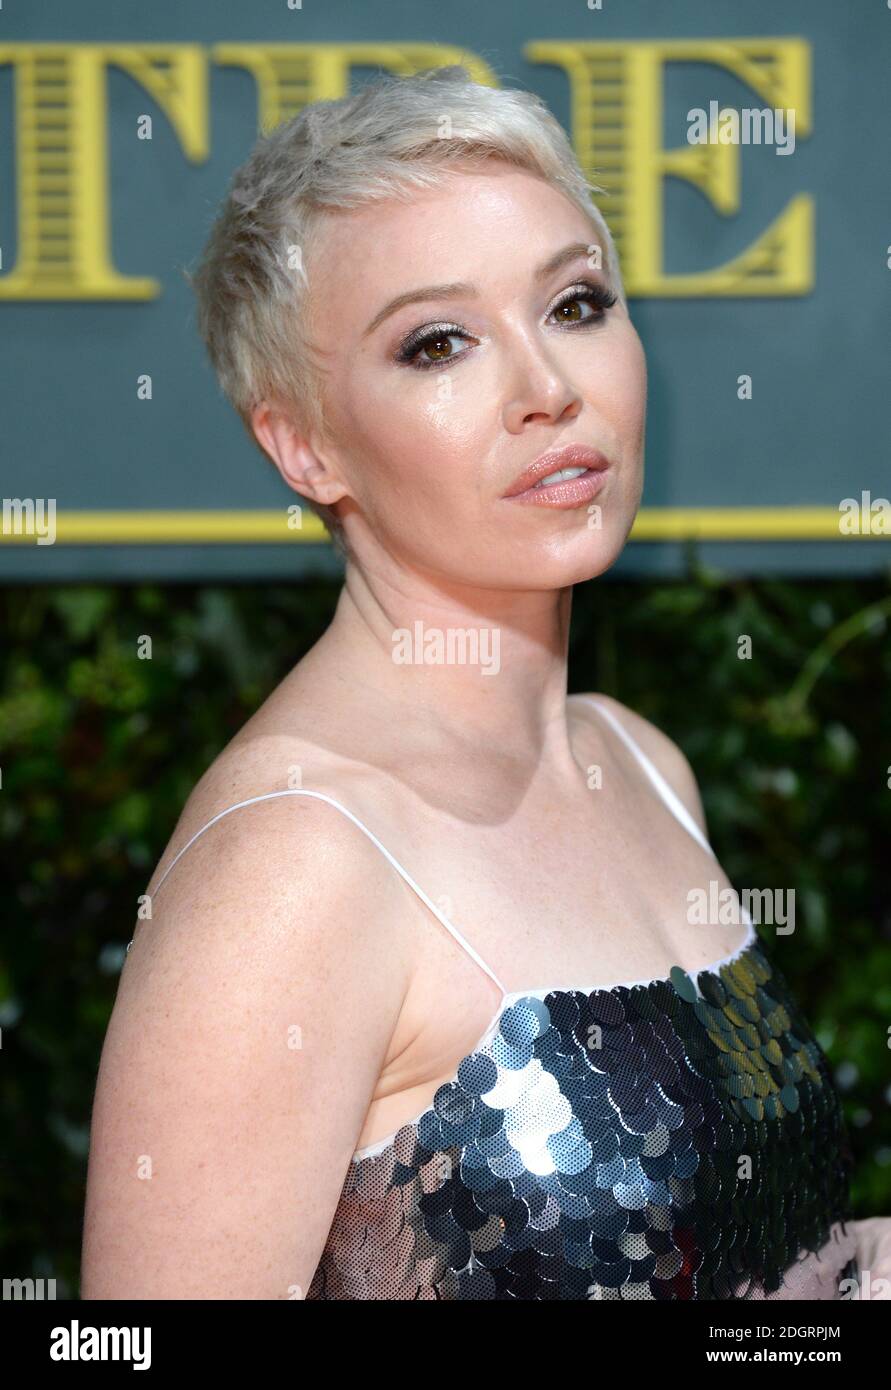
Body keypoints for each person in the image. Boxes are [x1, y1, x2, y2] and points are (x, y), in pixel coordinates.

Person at [80, 66, 879, 1300]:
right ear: (302, 440)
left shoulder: (636, 763)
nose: (549, 387)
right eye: (438, 341)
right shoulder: (294, 861)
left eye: (574, 303)